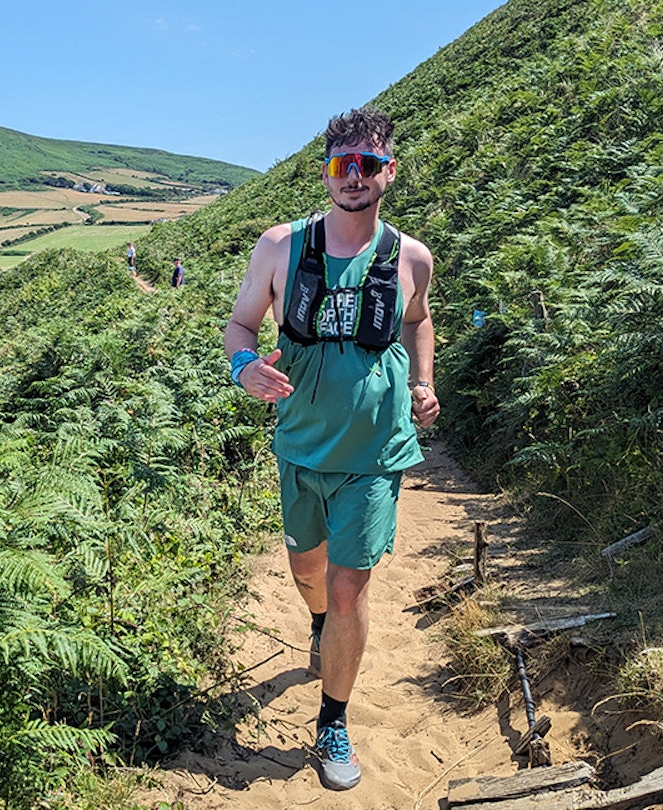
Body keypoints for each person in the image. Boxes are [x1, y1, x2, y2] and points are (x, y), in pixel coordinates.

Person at [223, 107, 439, 791]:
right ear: (326, 172)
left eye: (368, 165)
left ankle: (333, 719)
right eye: (343, 164)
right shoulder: (279, 247)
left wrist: (424, 383)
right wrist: (244, 367)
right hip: (301, 446)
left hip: (375, 455)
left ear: (389, 172)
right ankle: (317, 618)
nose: (355, 177)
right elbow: (238, 326)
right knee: (308, 571)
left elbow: (417, 319)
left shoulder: (411, 257)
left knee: (350, 589)